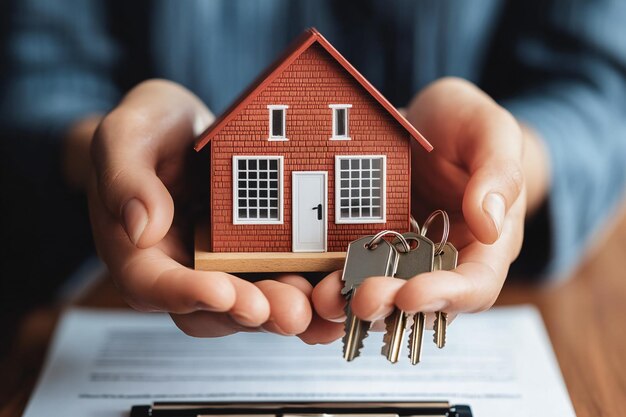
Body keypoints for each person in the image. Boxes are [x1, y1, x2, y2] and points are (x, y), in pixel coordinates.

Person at [1, 1, 625, 345]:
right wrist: (103, 150)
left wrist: (515, 161)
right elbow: (42, 76)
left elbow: (599, 86)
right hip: (83, 281)